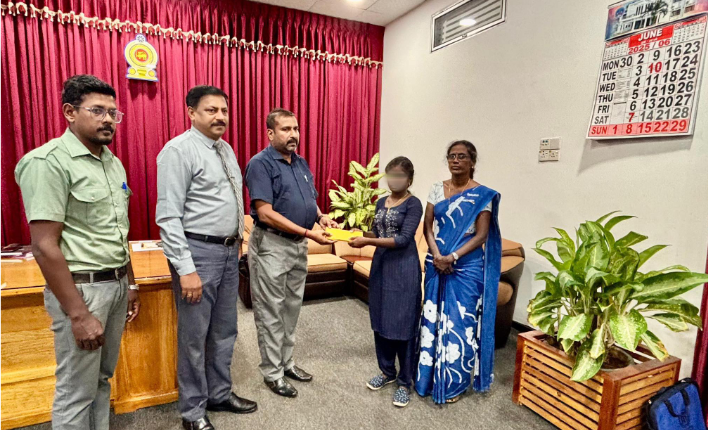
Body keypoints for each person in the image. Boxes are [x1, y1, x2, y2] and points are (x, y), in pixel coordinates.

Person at [15, 74, 140, 430]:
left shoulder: (111, 162)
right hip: (82, 291)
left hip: (115, 285)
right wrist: (79, 314)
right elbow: (44, 245)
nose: (108, 119)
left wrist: (130, 283)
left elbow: (118, 230)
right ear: (70, 112)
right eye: (97, 110)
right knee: (75, 391)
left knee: (101, 380)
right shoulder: (48, 162)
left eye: (113, 113)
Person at [156, 85, 257, 430]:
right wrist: (186, 269)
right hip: (198, 254)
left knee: (225, 331)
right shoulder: (178, 151)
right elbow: (168, 217)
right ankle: (193, 410)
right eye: (211, 110)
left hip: (229, 253)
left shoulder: (225, 149)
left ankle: (219, 393)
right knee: (194, 338)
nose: (220, 117)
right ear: (191, 112)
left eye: (224, 111)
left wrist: (238, 244)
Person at [244, 108, 337, 398]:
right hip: (272, 245)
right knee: (271, 311)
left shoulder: (299, 162)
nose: (293, 134)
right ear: (270, 133)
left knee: (291, 308)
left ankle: (286, 363)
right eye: (285, 129)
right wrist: (309, 233)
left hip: (297, 246)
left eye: (295, 128)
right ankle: (273, 373)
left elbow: (308, 199)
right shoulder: (260, 164)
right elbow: (265, 212)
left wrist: (320, 217)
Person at [415, 140, 502, 404]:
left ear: (472, 162)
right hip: (436, 262)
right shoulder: (436, 189)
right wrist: (437, 255)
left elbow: (481, 235)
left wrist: (453, 256)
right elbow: (428, 227)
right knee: (432, 318)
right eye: (452, 156)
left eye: (462, 156)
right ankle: (428, 378)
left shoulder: (482, 195)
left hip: (466, 266)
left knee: (461, 323)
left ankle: (454, 384)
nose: (456, 160)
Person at [349, 156, 423, 408]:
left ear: (409, 179)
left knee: (403, 324)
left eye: (400, 176)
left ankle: (404, 381)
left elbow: (403, 239)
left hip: (404, 268)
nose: (394, 180)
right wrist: (359, 234)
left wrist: (368, 241)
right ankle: (387, 371)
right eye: (390, 175)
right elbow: (378, 233)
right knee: (380, 320)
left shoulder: (413, 204)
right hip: (381, 266)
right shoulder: (381, 202)